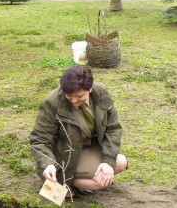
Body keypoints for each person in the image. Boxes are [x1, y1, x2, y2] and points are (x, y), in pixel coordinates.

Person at [29, 65, 127, 198]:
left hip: (86, 149)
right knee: (99, 183)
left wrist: (108, 162)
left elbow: (113, 128)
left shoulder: (101, 93)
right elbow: (39, 139)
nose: (74, 101)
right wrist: (48, 164)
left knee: (120, 162)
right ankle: (59, 183)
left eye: (79, 96)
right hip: (63, 157)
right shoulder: (52, 103)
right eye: (69, 97)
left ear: (90, 88)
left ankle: (63, 185)